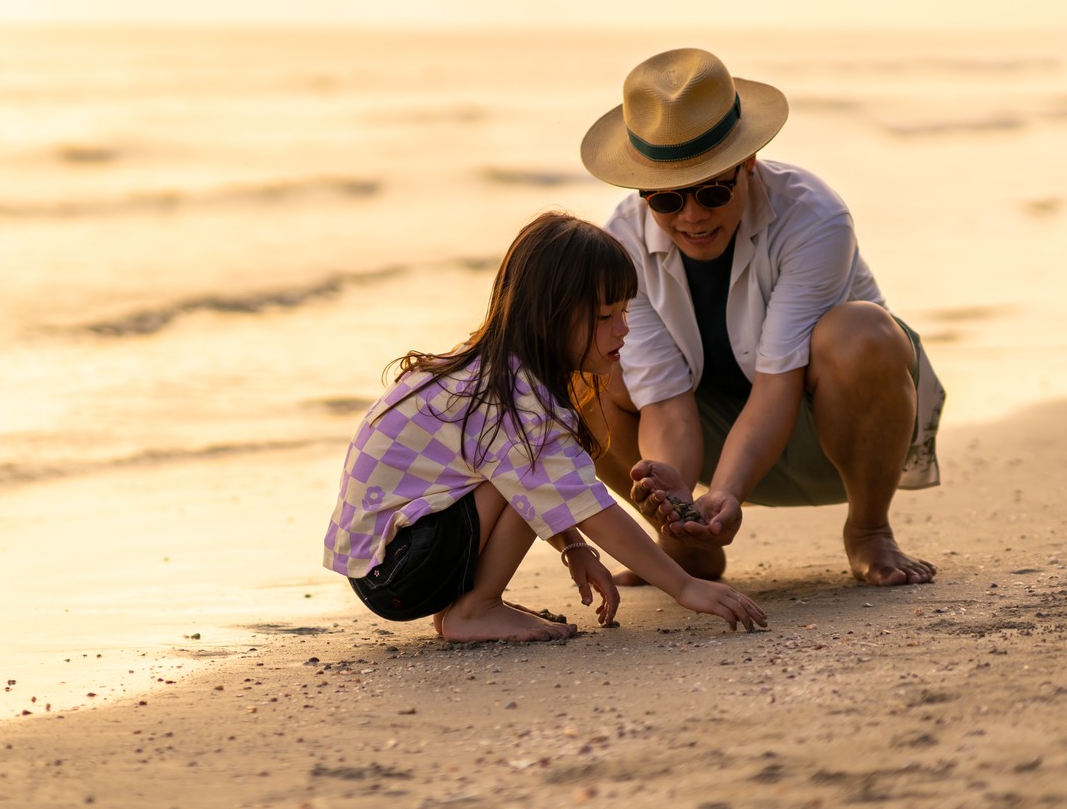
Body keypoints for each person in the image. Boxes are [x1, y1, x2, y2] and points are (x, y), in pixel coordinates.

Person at [577, 47, 945, 587]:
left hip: (842, 438)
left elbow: (777, 384)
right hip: (713, 435)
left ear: (748, 163)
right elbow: (663, 402)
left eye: (712, 189)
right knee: (580, 364)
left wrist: (725, 493)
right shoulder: (622, 244)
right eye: (668, 201)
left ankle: (869, 530)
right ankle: (683, 547)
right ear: (641, 192)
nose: (693, 216)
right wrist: (680, 501)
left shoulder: (813, 216)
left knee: (862, 332)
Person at [323, 211, 768, 643]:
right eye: (604, 317)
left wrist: (572, 547)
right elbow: (587, 504)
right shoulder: (516, 400)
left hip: (389, 564)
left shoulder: (492, 370)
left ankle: (471, 604)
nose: (623, 330)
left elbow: (539, 487)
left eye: (624, 312)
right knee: (535, 461)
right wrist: (685, 586)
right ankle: (474, 609)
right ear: (548, 316)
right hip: (401, 569)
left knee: (528, 467)